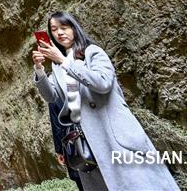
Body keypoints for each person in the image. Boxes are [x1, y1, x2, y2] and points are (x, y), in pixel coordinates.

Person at [32, 12, 179, 191]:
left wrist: (64, 61)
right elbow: (51, 96)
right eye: (54, 30)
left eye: (64, 27)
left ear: (74, 28)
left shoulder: (92, 52)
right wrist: (40, 69)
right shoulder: (57, 67)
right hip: (89, 145)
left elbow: (102, 83)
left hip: (114, 136)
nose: (59, 33)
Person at [49, 101, 84, 191]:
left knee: (80, 177)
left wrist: (59, 151)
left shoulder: (55, 93)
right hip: (91, 138)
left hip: (73, 144)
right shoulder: (79, 88)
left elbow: (56, 125)